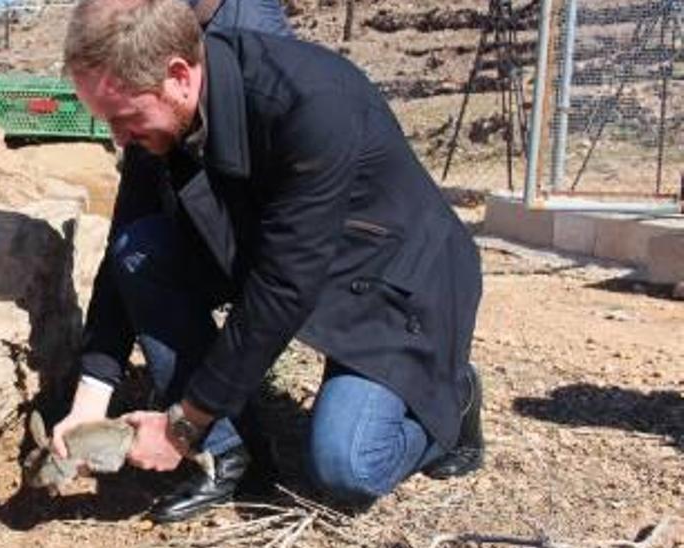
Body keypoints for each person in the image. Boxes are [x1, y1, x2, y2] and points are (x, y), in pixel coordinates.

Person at [51, 0, 486, 524]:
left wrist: (182, 426)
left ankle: (453, 399)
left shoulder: (310, 102)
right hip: (281, 251)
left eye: (122, 119)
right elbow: (124, 249)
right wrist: (90, 398)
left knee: (347, 467)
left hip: (390, 275)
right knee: (140, 250)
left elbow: (282, 287)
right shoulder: (158, 116)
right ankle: (233, 452)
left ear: (178, 76)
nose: (118, 138)